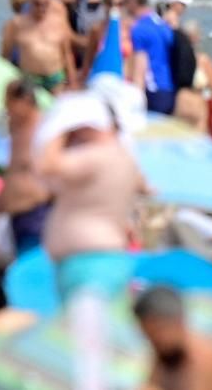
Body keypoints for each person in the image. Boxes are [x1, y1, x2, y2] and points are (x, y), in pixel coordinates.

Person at [37, 93, 146, 302]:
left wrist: (59, 128)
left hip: (90, 264)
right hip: (96, 260)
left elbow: (46, 165)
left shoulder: (100, 155)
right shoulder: (121, 156)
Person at [133, 286, 212, 390]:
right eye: (148, 337)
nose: (153, 343)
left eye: (157, 335)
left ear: (178, 322)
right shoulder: (166, 359)